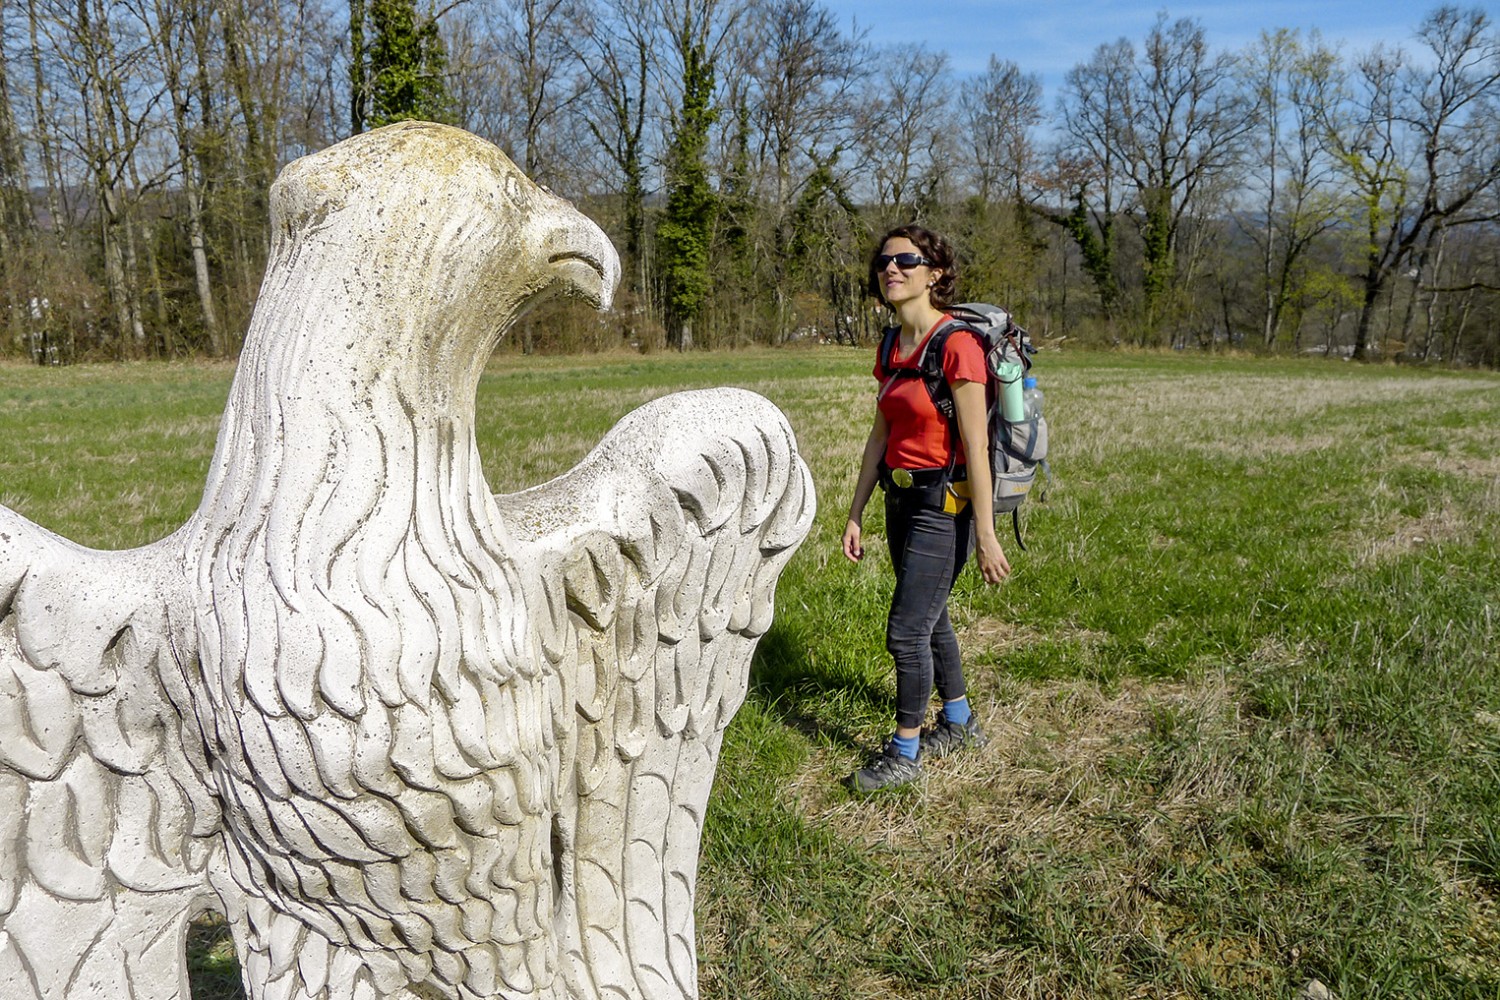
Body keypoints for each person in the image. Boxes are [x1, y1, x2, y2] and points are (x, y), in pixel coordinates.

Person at [841, 224, 1009, 792]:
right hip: (899, 497)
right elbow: (878, 435)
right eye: (884, 262)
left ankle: (905, 751)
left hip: (945, 506)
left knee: (905, 631)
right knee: (930, 617)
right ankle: (960, 722)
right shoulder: (891, 346)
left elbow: (977, 446)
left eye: (906, 261)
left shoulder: (957, 344)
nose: (891, 269)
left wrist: (985, 531)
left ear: (934, 273)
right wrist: (856, 510)